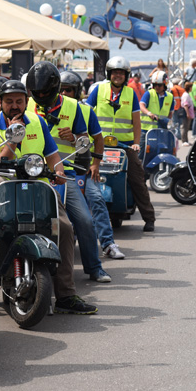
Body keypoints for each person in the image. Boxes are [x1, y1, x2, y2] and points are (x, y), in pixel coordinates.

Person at [0, 80, 98, 314]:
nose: (15, 106)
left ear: (26, 102)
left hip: (37, 183)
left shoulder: (38, 121)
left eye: (19, 101)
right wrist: (13, 139)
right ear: (0, 103)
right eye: (9, 101)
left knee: (65, 227)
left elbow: (53, 155)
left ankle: (66, 294)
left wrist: (59, 173)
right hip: (4, 183)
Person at [26, 62, 111, 283]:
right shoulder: (25, 106)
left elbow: (86, 142)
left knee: (84, 220)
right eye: (37, 93)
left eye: (45, 92)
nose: (41, 95)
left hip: (65, 173)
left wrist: (72, 138)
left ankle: (94, 268)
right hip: (30, 173)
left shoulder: (73, 107)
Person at [87, 56, 157, 232]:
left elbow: (136, 121)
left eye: (121, 73)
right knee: (84, 175)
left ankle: (149, 218)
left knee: (137, 178)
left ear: (126, 76)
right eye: (115, 72)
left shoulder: (130, 93)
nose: (117, 76)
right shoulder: (99, 90)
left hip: (124, 146)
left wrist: (135, 143)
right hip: (98, 144)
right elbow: (86, 113)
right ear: (109, 74)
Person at [60, 70, 125, 260]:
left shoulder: (86, 111)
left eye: (69, 91)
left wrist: (95, 164)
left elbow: (98, 139)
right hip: (52, 170)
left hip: (80, 169)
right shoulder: (46, 110)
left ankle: (108, 243)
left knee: (96, 198)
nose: (64, 95)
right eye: (61, 90)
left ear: (77, 91)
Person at [140, 72, 174, 151]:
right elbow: (141, 105)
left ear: (165, 85)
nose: (157, 87)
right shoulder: (149, 93)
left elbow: (170, 113)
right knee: (141, 153)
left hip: (161, 130)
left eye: (159, 85)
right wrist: (149, 113)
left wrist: (168, 123)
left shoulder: (170, 97)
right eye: (155, 85)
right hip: (146, 131)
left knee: (164, 150)